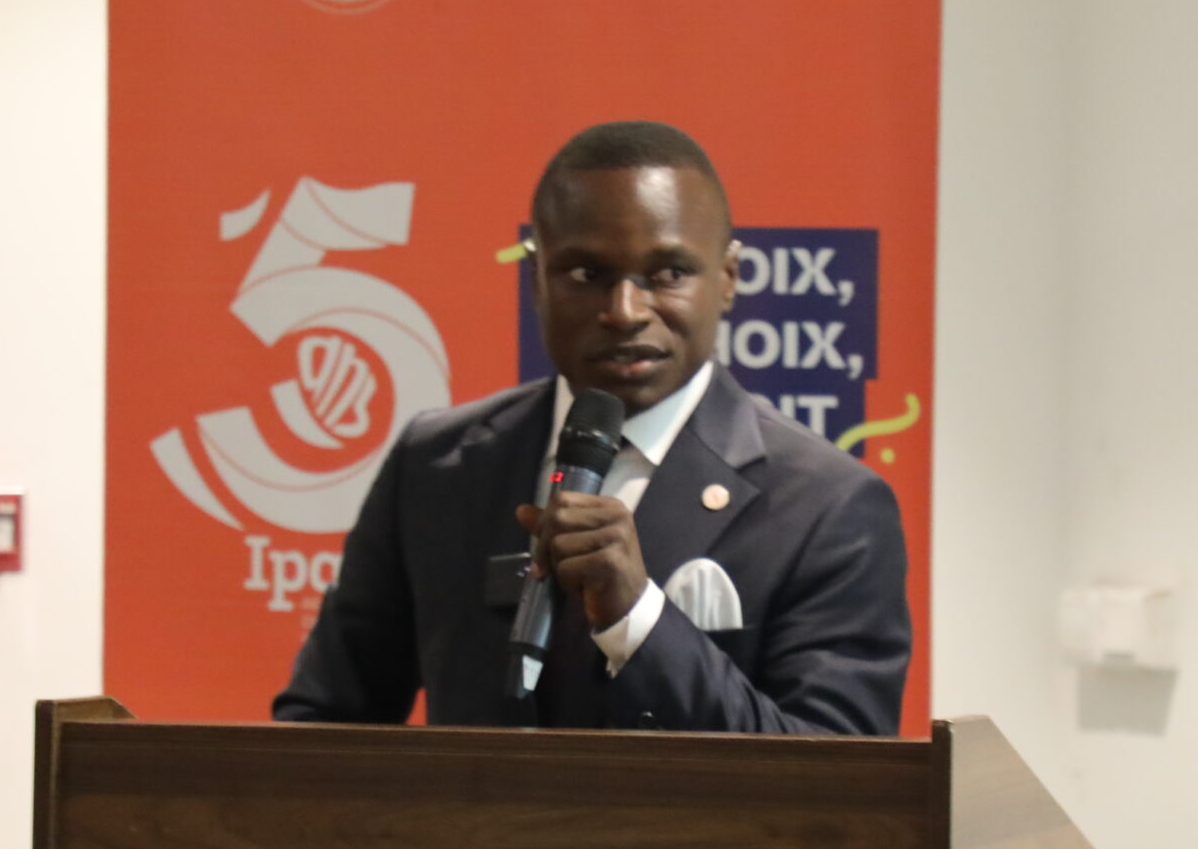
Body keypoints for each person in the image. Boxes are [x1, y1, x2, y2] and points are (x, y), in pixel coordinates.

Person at [276, 120, 911, 735]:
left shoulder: (826, 507)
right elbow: (322, 726)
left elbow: (835, 782)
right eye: (586, 275)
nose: (625, 311)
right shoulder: (437, 465)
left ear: (728, 279)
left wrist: (640, 618)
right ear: (536, 280)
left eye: (668, 274)